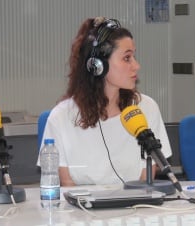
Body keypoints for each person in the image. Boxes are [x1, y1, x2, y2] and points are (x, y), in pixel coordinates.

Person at [38, 17, 172, 186]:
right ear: (98, 65)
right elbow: (66, 186)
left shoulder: (146, 108)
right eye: (127, 58)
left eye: (134, 56)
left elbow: (146, 183)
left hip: (135, 209)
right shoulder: (62, 116)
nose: (136, 65)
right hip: (81, 211)